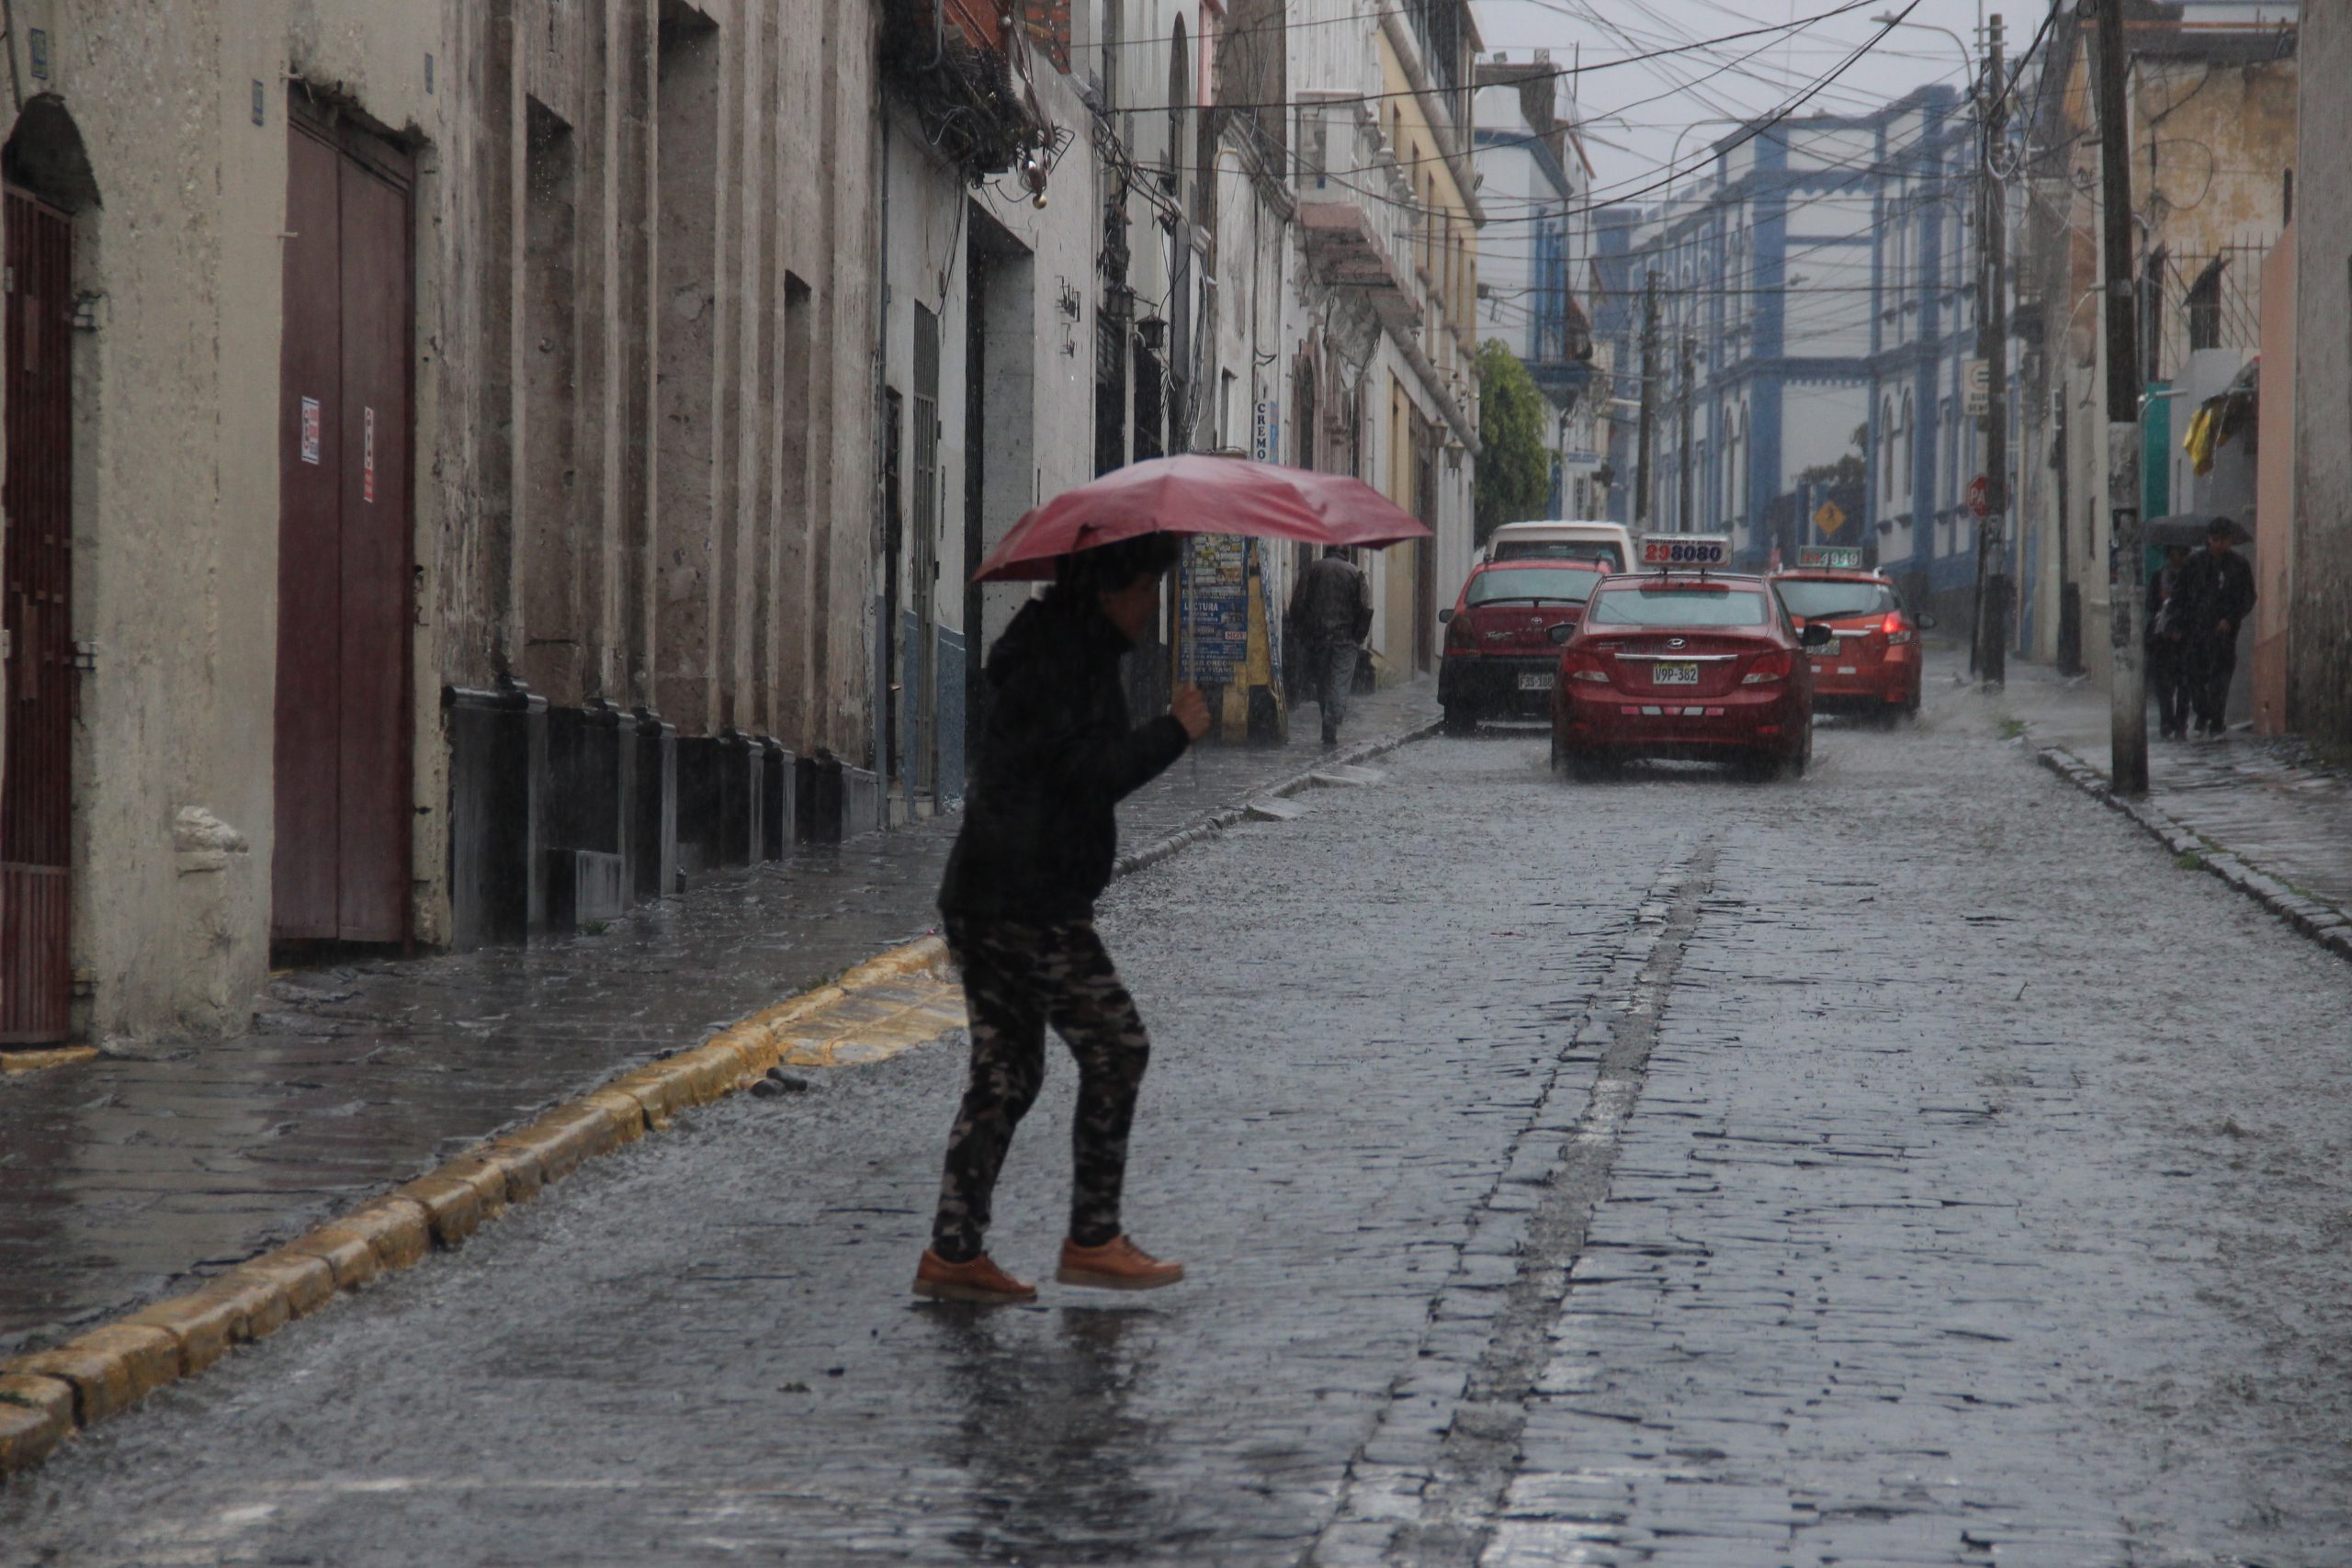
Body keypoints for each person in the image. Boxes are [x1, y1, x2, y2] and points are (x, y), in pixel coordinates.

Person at [914, 532, 1212, 1305]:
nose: (1152, 606)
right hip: (1026, 897)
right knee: (1117, 1045)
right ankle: (1093, 1237)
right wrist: (1174, 730)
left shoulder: (1064, 647)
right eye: (1145, 590)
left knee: (1007, 1072)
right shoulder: (1066, 660)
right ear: (1110, 592)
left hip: (994, 889)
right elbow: (1087, 775)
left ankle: (954, 1251)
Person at [2175, 517, 2256, 739]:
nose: (2220, 545)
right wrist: (2181, 623)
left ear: (2231, 541)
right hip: (2196, 630)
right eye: (2216, 540)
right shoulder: (2194, 563)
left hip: (2224, 632)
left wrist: (2230, 618)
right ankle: (2203, 713)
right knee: (2196, 676)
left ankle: (2217, 721)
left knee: (2221, 677)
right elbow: (2180, 594)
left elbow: (2248, 596)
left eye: (2225, 540)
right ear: (2209, 540)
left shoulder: (2239, 565)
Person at [1286, 545, 1373, 746]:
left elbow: (1298, 602)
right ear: (1347, 553)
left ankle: (1329, 723)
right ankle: (1332, 718)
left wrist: (1301, 629)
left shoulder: (1313, 569)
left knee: (1323, 681)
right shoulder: (1355, 573)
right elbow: (1365, 607)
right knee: (1339, 681)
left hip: (1317, 636)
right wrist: (1358, 636)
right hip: (1345, 638)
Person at [2147, 544, 2193, 740]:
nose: (2177, 558)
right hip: (2162, 638)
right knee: (2163, 684)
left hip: (2184, 637)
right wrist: (2161, 600)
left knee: (2185, 683)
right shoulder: (2159, 577)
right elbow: (2150, 605)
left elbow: (2194, 604)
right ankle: (2166, 721)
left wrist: (2180, 627)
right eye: (2173, 554)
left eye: (2180, 554)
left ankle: (2181, 723)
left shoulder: (2191, 578)